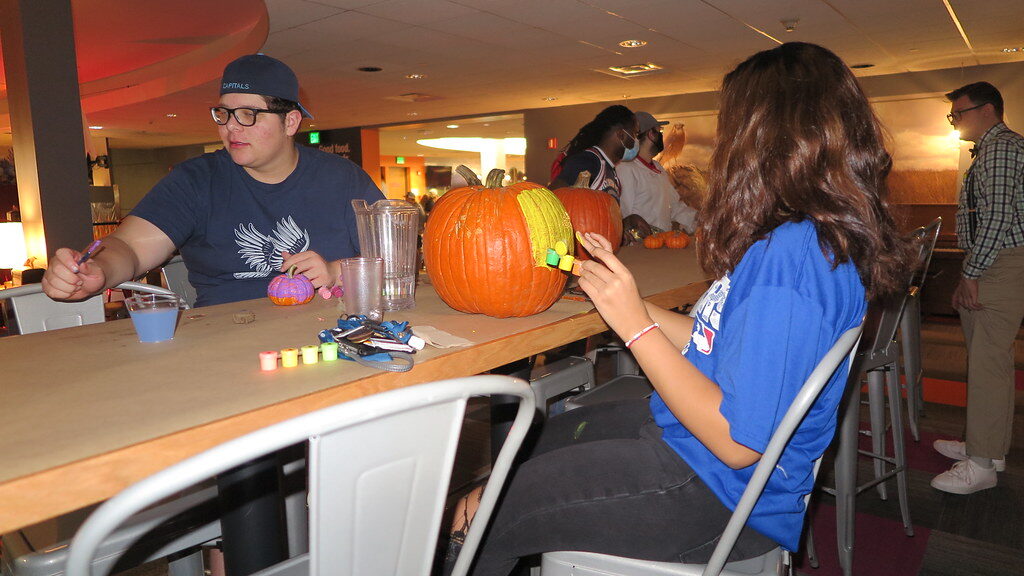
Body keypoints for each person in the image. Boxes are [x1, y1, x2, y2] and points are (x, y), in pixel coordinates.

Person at [441, 42, 911, 576]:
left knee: (481, 507)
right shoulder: (805, 241)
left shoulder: (792, 258)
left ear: (764, 138)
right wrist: (626, 302)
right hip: (702, 464)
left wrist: (634, 327)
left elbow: (736, 443)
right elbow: (717, 342)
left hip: (718, 494)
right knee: (537, 441)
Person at [41, 54, 384, 307]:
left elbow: (395, 257)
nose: (230, 126)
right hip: (225, 339)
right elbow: (130, 247)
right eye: (223, 113)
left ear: (290, 122)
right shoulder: (196, 181)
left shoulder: (343, 178)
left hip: (327, 334)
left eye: (248, 114)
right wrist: (99, 270)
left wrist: (337, 271)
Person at [931, 81, 1024, 494]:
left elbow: (998, 218)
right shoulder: (991, 149)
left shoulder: (1001, 148)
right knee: (990, 361)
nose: (954, 121)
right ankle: (987, 448)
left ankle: (982, 465)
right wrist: (968, 273)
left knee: (988, 363)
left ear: (987, 110)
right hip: (993, 262)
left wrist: (972, 272)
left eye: (959, 113)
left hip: (1003, 262)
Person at [616, 111, 698, 240]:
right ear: (651, 134)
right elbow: (624, 215)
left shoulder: (658, 167)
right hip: (638, 247)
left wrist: (697, 219)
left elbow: (675, 207)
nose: (661, 135)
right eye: (659, 131)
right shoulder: (625, 169)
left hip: (662, 244)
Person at [548, 105, 638, 201]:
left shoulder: (609, 168)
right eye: (635, 134)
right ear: (621, 135)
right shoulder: (588, 161)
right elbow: (552, 196)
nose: (636, 140)